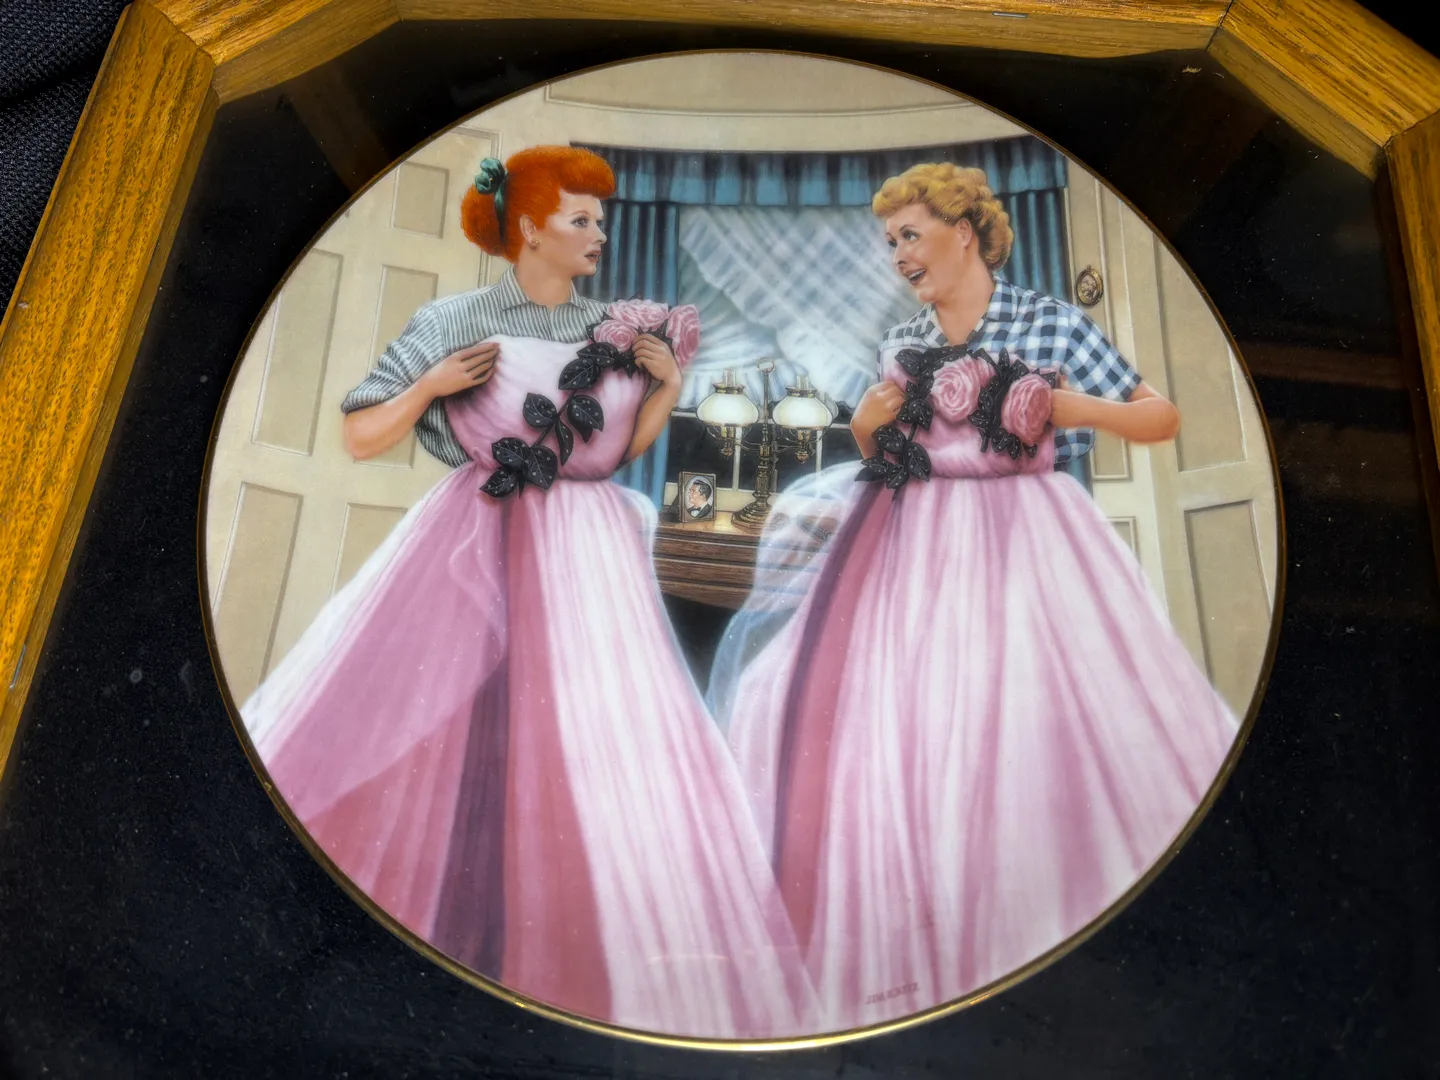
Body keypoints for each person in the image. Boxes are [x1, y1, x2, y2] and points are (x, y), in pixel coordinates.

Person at [240, 146, 815, 1039]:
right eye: (581, 219)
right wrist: (432, 384)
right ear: (532, 227)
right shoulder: (455, 318)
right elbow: (360, 435)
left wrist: (666, 386)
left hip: (592, 558)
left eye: (601, 219)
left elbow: (611, 455)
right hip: (474, 540)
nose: (599, 234)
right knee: (453, 726)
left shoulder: (613, 328)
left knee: (594, 744)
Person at [712, 163, 1240, 1031]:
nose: (899, 255)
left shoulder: (1046, 320)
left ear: (964, 232)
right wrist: (866, 428)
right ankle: (928, 949)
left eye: (911, 235)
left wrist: (1063, 404)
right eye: (890, 241)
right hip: (912, 548)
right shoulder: (902, 342)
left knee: (1018, 729)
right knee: (905, 734)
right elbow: (890, 457)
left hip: (1030, 543)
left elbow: (1161, 417)